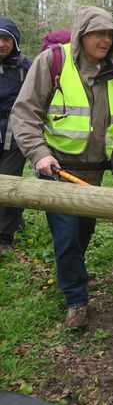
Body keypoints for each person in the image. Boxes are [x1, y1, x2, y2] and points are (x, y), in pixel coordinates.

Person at [10, 6, 113, 329]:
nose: (105, 40)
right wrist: (39, 155)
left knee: (83, 233)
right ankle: (76, 300)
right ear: (81, 33)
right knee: (66, 237)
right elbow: (24, 115)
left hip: (94, 175)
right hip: (57, 170)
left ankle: (72, 273)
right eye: (98, 33)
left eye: (110, 34)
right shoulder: (52, 63)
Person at [0, 17, 31, 255]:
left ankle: (4, 237)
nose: (1, 44)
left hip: (14, 134)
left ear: (15, 41)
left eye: (6, 39)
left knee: (9, 182)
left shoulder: (25, 67)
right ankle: (14, 219)